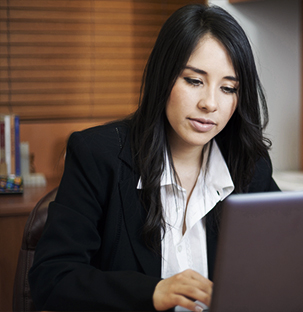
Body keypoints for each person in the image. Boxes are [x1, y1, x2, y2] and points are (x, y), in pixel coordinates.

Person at [28, 4, 280, 311]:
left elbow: (284, 267)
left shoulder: (251, 167)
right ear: (164, 76)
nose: (210, 103)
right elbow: (52, 280)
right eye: (194, 81)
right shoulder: (97, 155)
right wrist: (153, 292)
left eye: (228, 88)